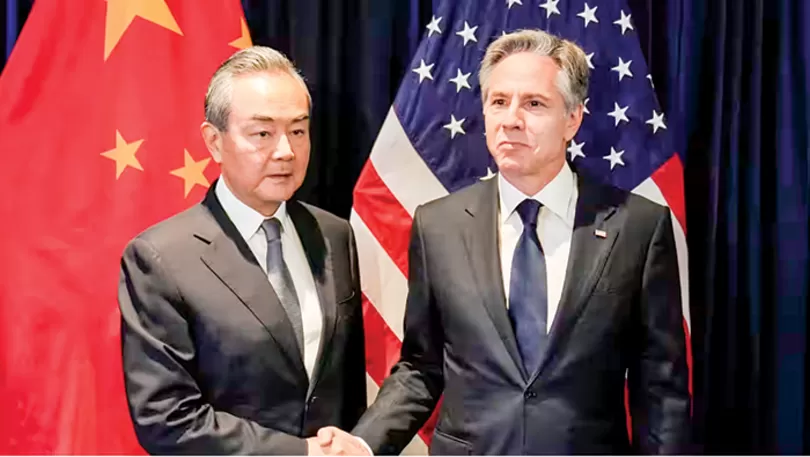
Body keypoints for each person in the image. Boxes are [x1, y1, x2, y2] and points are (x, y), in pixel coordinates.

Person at [318, 29, 690, 455]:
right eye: (498, 101)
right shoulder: (438, 226)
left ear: (572, 119)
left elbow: (660, 387)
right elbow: (422, 365)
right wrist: (365, 443)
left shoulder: (637, 226)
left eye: (534, 104)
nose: (511, 119)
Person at [118, 46, 366, 455]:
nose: (285, 151)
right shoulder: (160, 259)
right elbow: (167, 419)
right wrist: (303, 453)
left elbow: (345, 386)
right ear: (214, 142)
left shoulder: (334, 235)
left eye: (298, 131)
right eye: (263, 134)